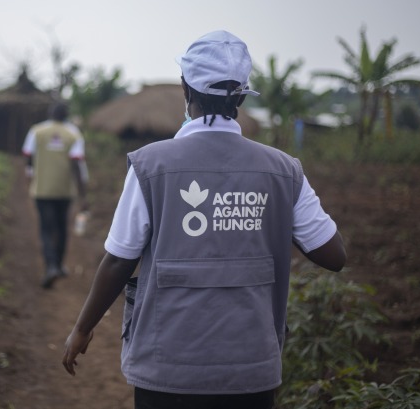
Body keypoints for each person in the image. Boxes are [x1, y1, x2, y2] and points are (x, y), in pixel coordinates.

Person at [62, 30, 346, 409]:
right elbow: (333, 255)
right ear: (242, 96)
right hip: (252, 370)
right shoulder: (283, 170)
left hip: (168, 369)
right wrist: (262, 211)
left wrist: (82, 329)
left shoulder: (151, 165)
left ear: (186, 90)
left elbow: (119, 258)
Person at [22, 101, 88, 289]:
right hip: (65, 190)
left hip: (42, 188)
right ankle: (58, 264)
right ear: (66, 115)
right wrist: (83, 195)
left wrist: (30, 177)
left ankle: (50, 265)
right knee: (61, 227)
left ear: (50, 113)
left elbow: (28, 157)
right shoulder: (74, 134)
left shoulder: (37, 131)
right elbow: (78, 166)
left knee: (46, 228)